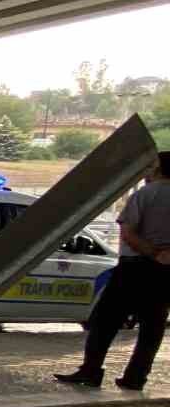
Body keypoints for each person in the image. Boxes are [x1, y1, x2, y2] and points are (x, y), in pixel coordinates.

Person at [56, 151, 170, 390]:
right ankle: (135, 378)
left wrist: (151, 252)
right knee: (152, 326)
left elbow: (128, 233)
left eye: (151, 166)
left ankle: (91, 371)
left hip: (134, 268)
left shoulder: (146, 194)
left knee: (105, 320)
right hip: (164, 272)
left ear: (158, 168)